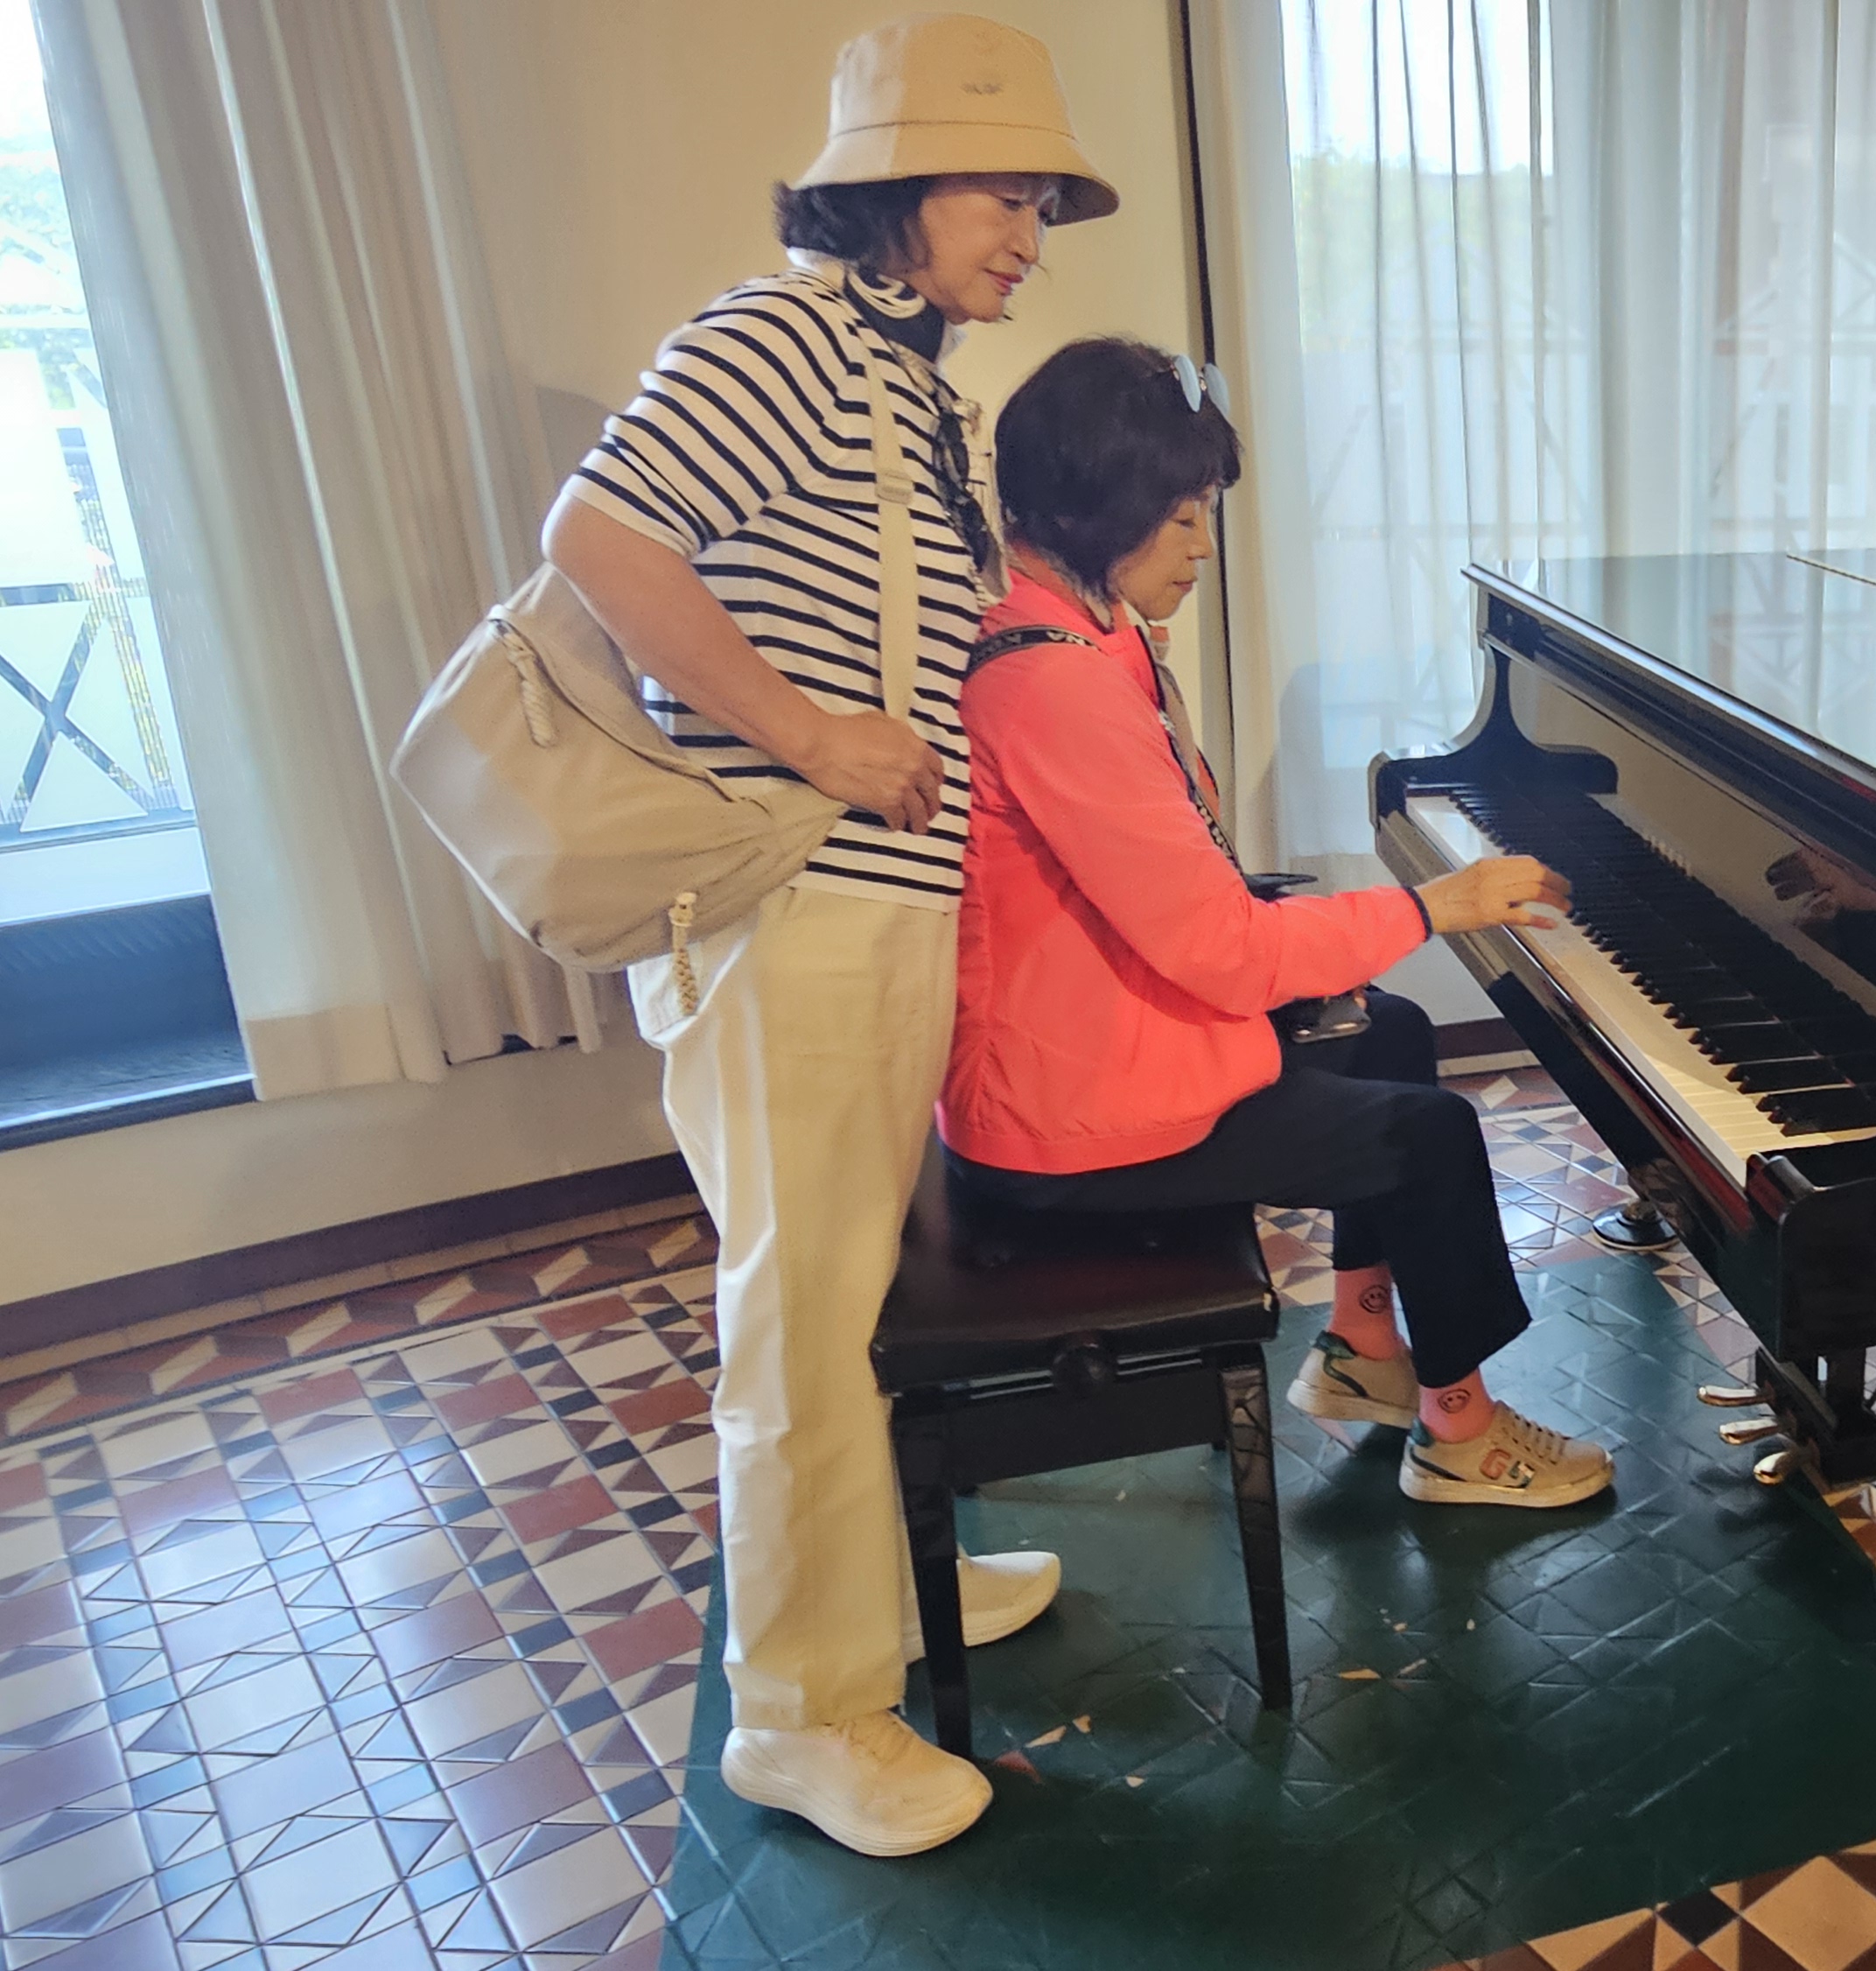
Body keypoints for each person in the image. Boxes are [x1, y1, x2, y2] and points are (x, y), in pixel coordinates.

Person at [539, 16, 1116, 1858]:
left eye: (1040, 206)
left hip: (870, 908)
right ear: (892, 190)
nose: (1027, 239)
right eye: (1001, 197)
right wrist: (808, 734)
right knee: (795, 1313)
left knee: (851, 1281)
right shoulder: (779, 336)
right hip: (787, 901)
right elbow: (599, 538)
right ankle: (799, 1711)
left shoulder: (909, 384)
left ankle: (878, 1591)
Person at [937, 335, 1614, 1511]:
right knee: (1431, 1135)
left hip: (1085, 1045)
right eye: (1182, 516)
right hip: (1068, 1123)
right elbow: (1222, 954)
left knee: (1392, 1031)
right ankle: (1460, 1436)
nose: (1203, 545)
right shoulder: (1050, 682)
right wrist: (1434, 905)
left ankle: (1363, 1345)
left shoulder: (1075, 628)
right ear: (1102, 508)